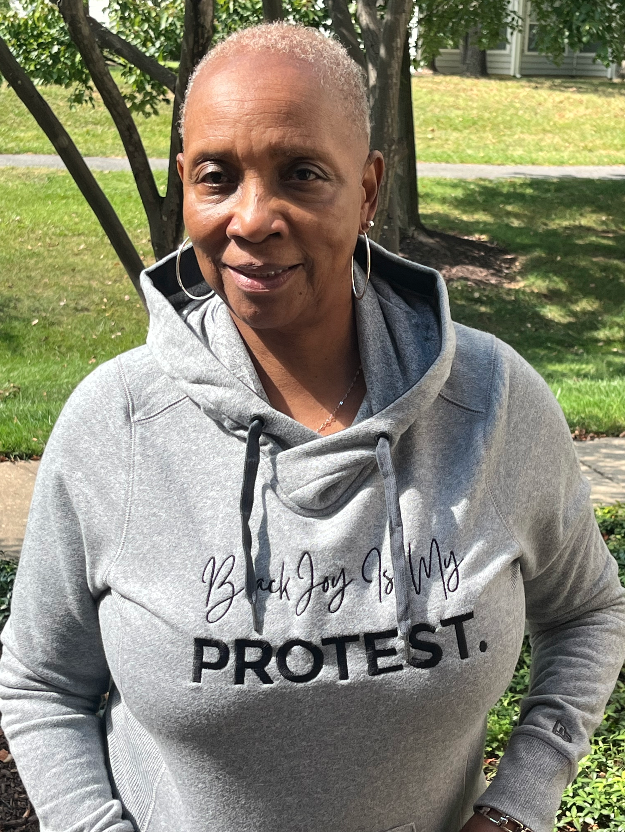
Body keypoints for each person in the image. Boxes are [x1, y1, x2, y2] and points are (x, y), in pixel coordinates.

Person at [0, 22, 624, 832]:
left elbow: (587, 611)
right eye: (217, 177)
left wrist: (517, 807)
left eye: (300, 174)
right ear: (184, 184)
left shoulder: (491, 402)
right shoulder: (115, 423)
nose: (253, 218)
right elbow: (41, 682)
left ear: (367, 191)